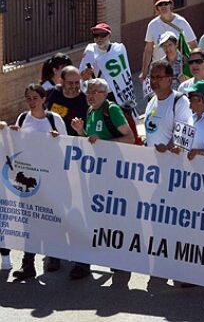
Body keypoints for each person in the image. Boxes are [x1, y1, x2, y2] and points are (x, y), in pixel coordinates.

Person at [67, 78, 135, 279]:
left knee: (114, 220)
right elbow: (91, 140)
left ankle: (118, 259)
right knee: (89, 217)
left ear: (105, 94)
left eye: (95, 91)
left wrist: (104, 143)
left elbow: (130, 138)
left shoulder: (111, 110)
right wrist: (81, 131)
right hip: (95, 174)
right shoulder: (89, 111)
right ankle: (83, 263)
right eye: (88, 91)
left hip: (113, 175)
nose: (90, 95)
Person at [0, 83, 66, 278]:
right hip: (28, 178)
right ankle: (28, 264)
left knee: (50, 219)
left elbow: (67, 146)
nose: (31, 102)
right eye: (28, 98)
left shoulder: (54, 120)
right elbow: (16, 146)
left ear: (43, 99)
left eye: (35, 98)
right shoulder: (22, 118)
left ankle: (54, 255)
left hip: (49, 178)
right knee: (29, 221)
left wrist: (57, 139)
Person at [158, 80, 204, 160]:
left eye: (190, 97)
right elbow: (182, 144)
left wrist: (202, 152)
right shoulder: (191, 118)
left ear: (200, 100)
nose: (188, 101)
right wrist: (172, 148)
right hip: (191, 169)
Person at [141, 0, 197, 80]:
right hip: (159, 69)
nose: (163, 6)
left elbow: (193, 45)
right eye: (160, 4)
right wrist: (144, 72)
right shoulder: (152, 25)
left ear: (171, 5)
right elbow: (148, 49)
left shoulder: (181, 22)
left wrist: (193, 64)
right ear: (157, 8)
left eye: (166, 3)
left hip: (179, 70)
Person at [143, 60, 191, 148]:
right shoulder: (151, 101)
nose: (154, 81)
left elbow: (184, 135)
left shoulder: (180, 102)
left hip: (172, 159)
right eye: (152, 77)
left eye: (159, 77)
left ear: (169, 80)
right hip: (153, 160)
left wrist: (167, 149)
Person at [45, 66, 88, 136]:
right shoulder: (52, 92)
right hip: (51, 138)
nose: (74, 86)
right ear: (61, 82)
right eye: (70, 83)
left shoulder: (85, 101)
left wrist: (80, 130)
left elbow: (86, 134)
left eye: (77, 82)